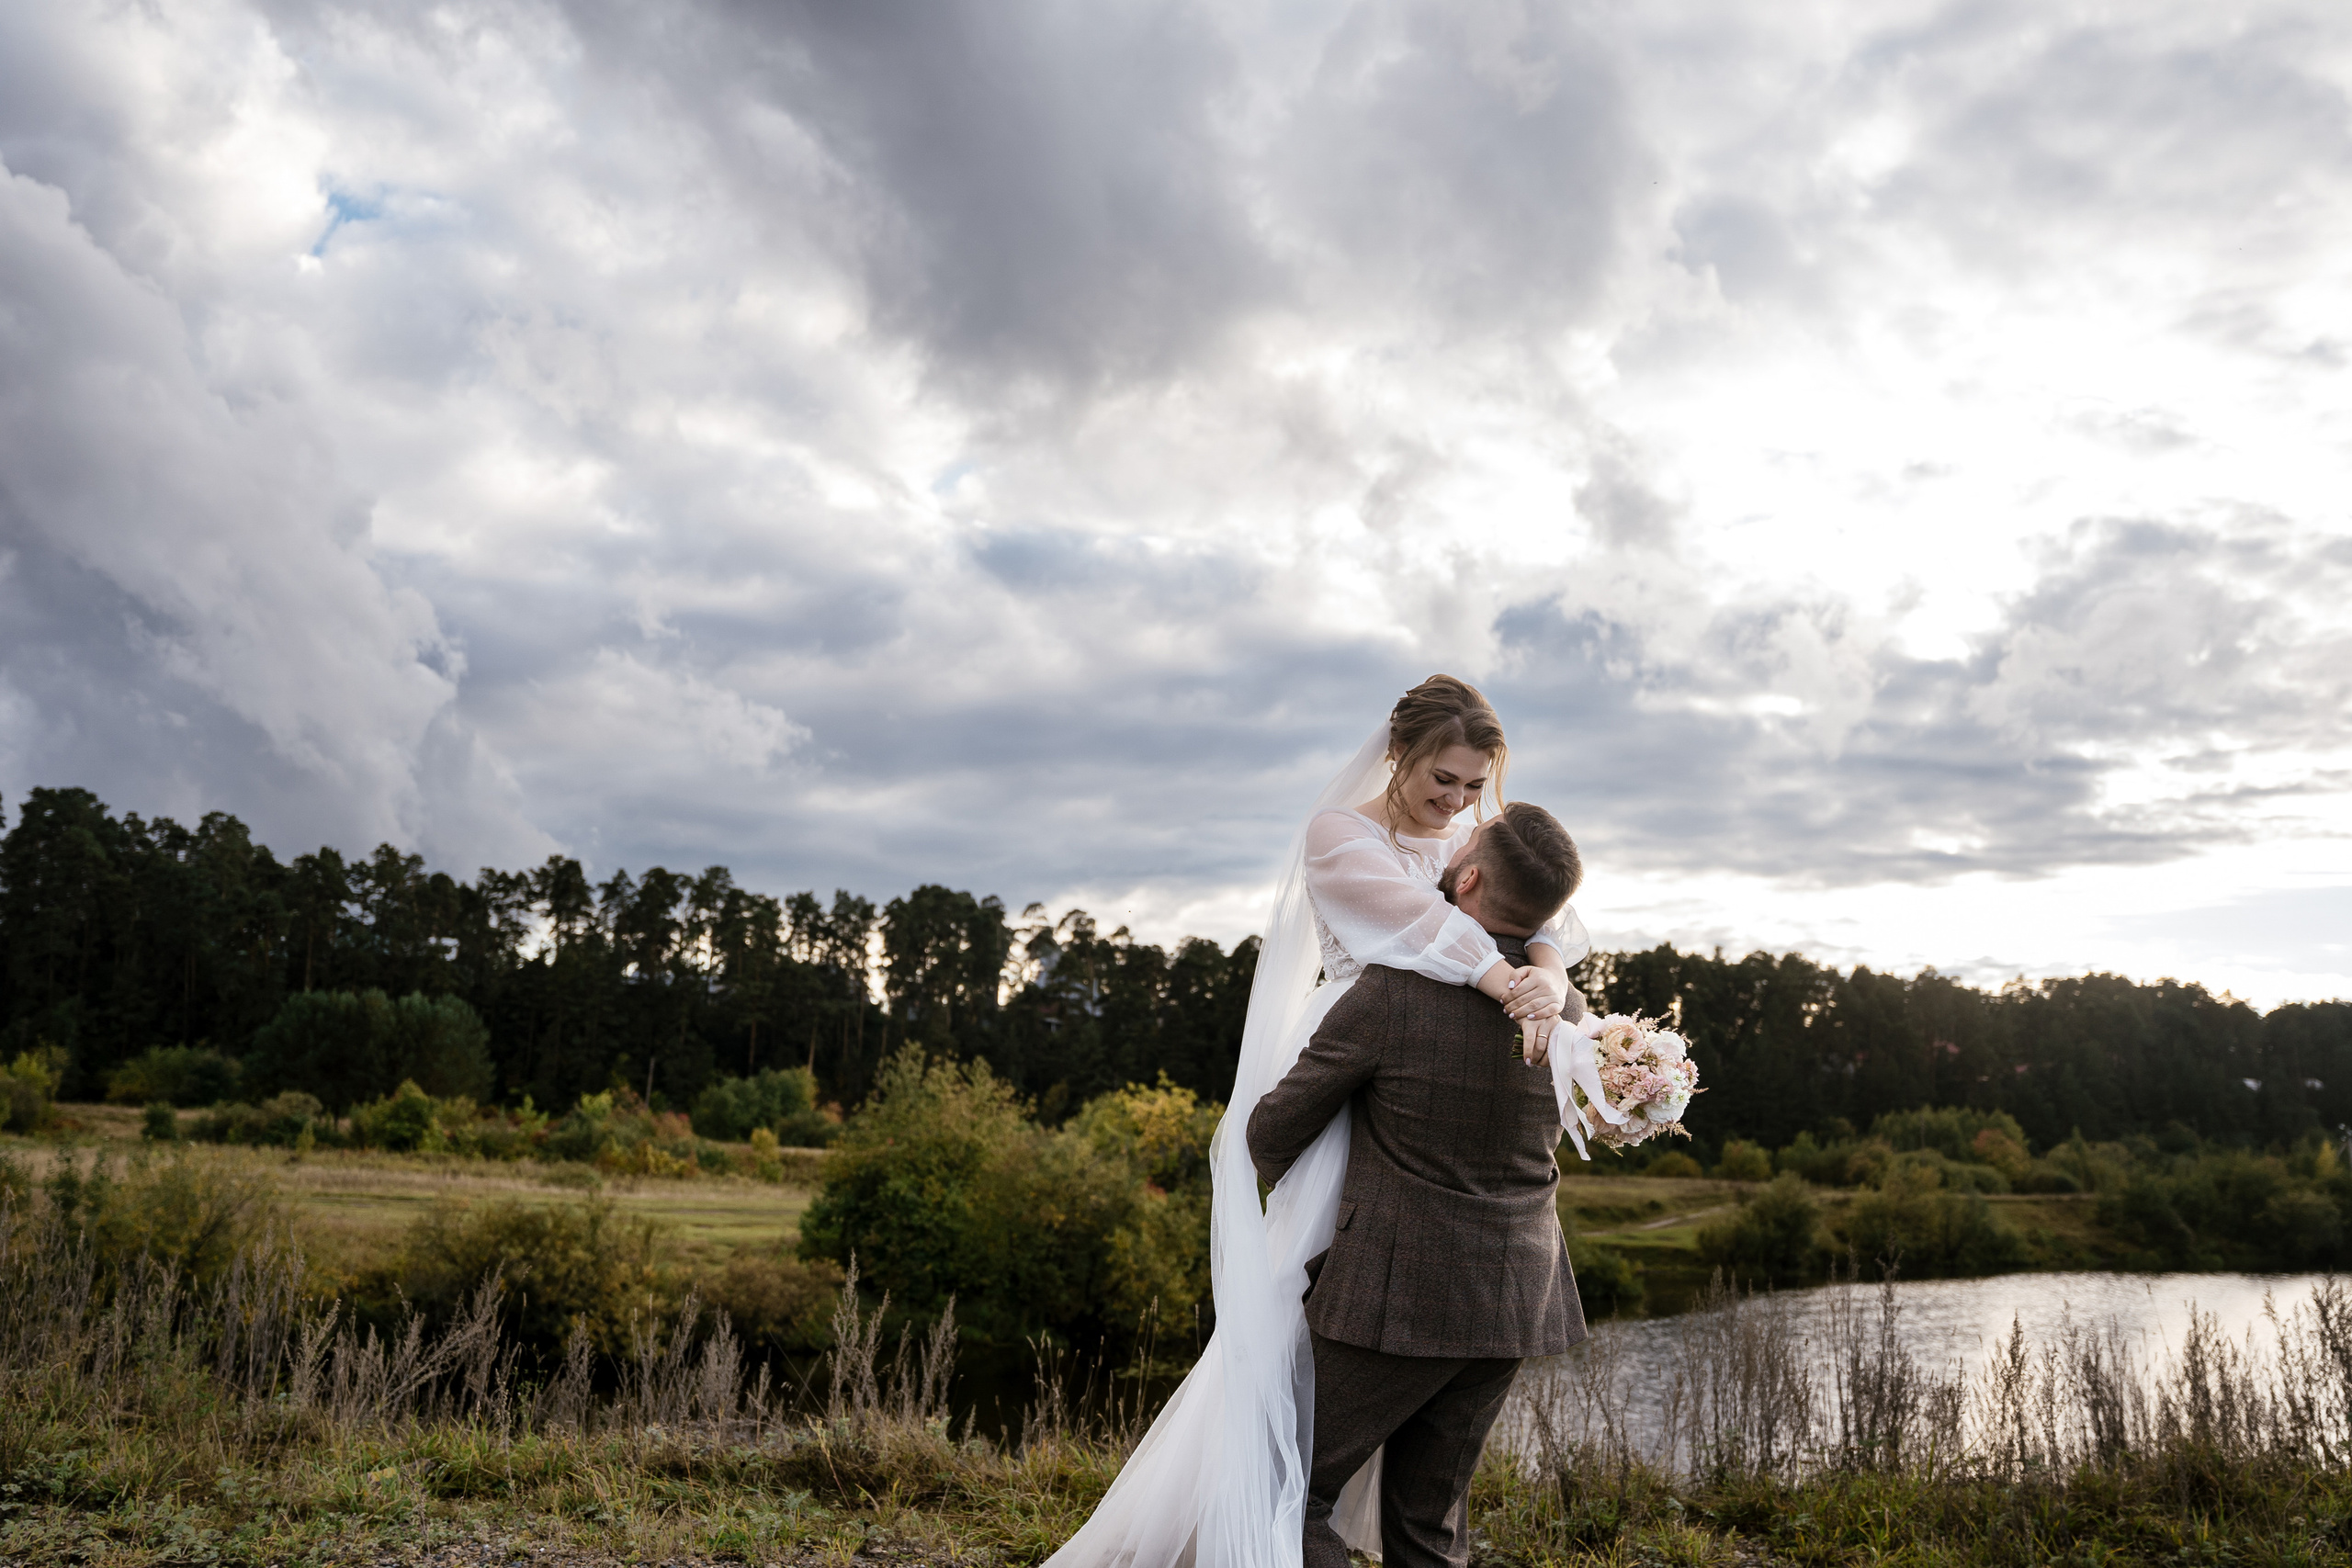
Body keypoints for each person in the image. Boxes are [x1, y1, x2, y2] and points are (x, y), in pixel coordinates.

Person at [1042, 675, 1591, 1568]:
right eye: (1440, 780)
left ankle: (1278, 1508)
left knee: (1302, 1465)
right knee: (1311, 1347)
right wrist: (1514, 985)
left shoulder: (1471, 865)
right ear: (1397, 755)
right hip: (1370, 1089)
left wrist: (1550, 974)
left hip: (1395, 1110)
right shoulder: (1343, 837)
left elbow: (1545, 911)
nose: (1453, 803)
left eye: (1469, 788)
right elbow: (1418, 924)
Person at [1248, 800, 1590, 1567]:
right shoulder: (1566, 1009)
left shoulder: (1394, 991)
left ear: (1467, 876)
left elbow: (1272, 1131)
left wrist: (1301, 1194)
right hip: (1512, 1299)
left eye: (1465, 838)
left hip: (1397, 1297)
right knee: (1427, 1526)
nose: (1453, 834)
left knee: (1286, 1491)